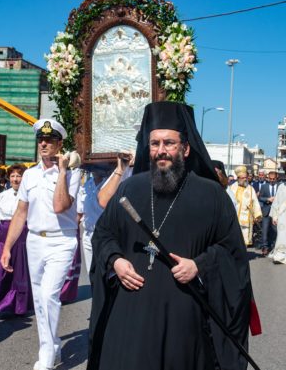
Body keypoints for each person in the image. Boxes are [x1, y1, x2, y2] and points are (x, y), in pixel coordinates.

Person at [88, 101, 256, 370]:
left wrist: (199, 265)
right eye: (154, 143)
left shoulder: (212, 195)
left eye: (169, 143)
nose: (161, 151)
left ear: (186, 149)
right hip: (130, 317)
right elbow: (103, 234)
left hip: (184, 318)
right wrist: (116, 260)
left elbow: (232, 252)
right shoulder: (129, 189)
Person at [0, 118, 81, 370]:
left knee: (48, 295)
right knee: (39, 299)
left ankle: (46, 354)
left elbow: (60, 206)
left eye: (49, 140)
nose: (43, 144)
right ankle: (53, 344)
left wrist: (63, 171)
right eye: (40, 140)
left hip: (62, 240)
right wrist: (7, 247)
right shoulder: (30, 174)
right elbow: (21, 213)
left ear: (60, 144)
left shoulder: (73, 173)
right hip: (34, 240)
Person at [0, 164, 33, 322]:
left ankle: (18, 305)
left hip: (22, 234)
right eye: (12, 176)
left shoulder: (30, 195)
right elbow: (0, 218)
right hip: (3, 235)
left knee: (19, 270)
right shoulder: (3, 195)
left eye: (19, 176)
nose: (15, 179)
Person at [230, 165, 262, 246]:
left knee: (244, 239)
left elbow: (255, 202)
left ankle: (243, 252)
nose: (245, 179)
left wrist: (257, 215)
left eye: (246, 177)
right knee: (233, 237)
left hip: (246, 217)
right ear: (238, 178)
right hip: (234, 217)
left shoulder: (250, 189)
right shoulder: (232, 188)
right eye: (243, 178)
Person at [258, 171, 279, 256]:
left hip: (277, 212)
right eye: (270, 179)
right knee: (265, 230)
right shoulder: (264, 186)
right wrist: (268, 199)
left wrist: (276, 199)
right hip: (266, 211)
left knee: (276, 230)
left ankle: (275, 246)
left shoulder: (280, 186)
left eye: (274, 179)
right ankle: (265, 247)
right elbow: (260, 197)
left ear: (276, 178)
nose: (272, 180)